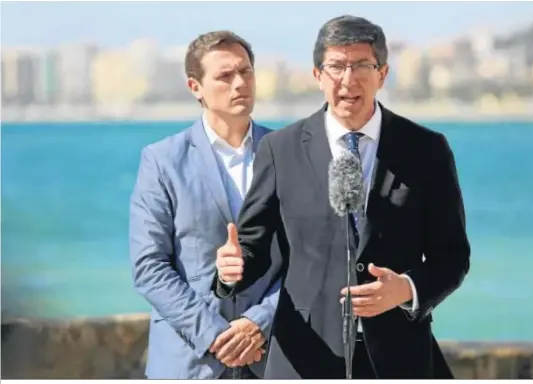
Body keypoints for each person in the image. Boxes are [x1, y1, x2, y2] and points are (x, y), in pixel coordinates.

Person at [212, 15, 471, 379]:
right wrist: (230, 270)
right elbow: (253, 247)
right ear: (318, 76)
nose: (348, 80)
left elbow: (452, 256)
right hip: (305, 357)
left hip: (397, 358)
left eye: (362, 65)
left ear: (382, 74)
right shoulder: (280, 149)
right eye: (336, 66)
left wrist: (405, 289)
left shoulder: (426, 149)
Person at [129, 30, 281, 380]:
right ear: (195, 87)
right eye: (225, 76)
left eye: (246, 72)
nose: (239, 83)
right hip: (189, 364)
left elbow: (310, 257)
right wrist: (216, 335)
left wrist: (259, 322)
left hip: (272, 356)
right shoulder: (162, 160)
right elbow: (149, 266)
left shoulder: (287, 153)